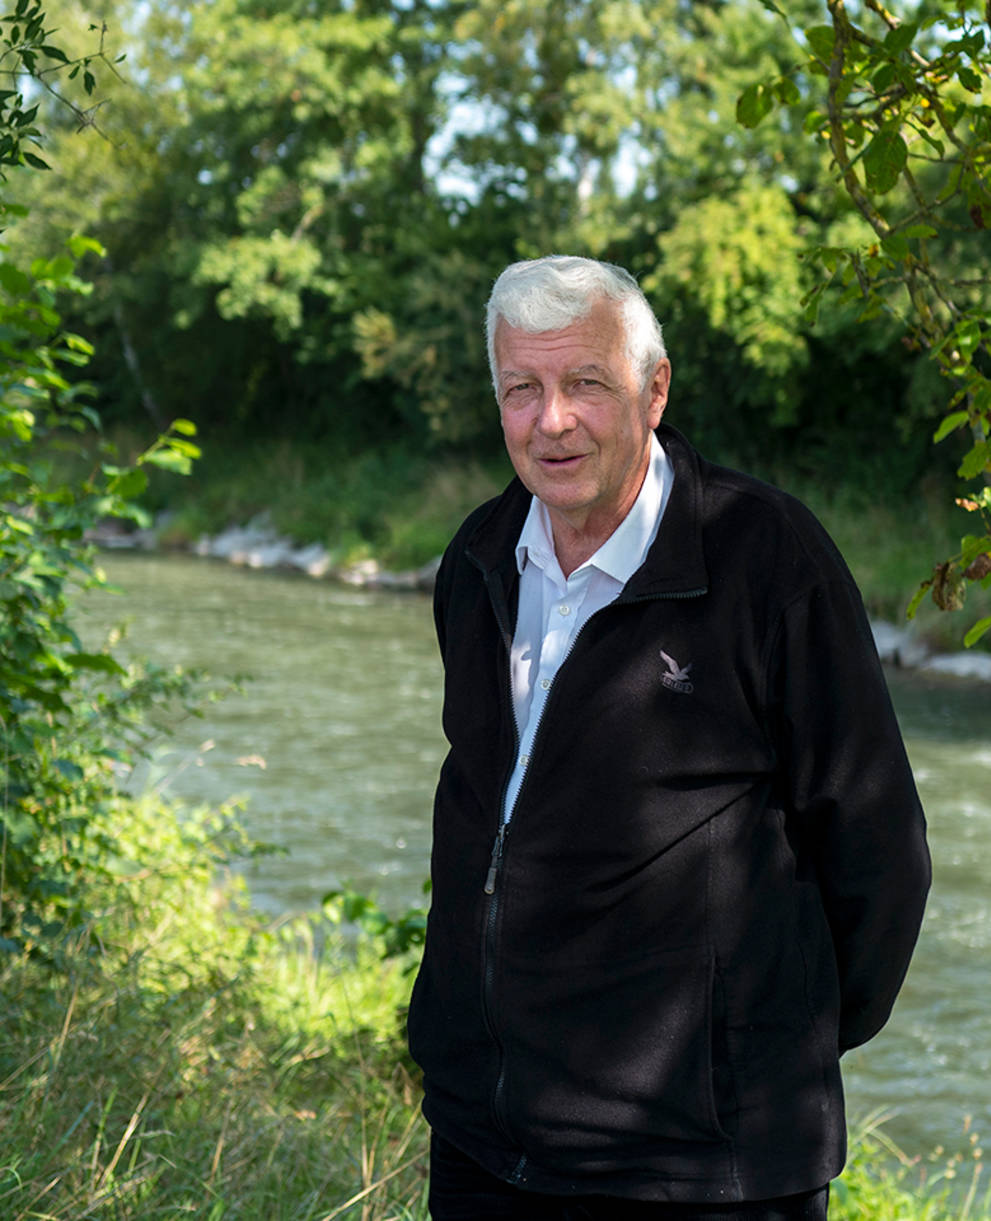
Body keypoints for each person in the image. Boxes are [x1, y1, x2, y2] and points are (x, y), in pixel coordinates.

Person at [407, 255, 931, 1220]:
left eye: (584, 383)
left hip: (703, 1165)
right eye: (522, 388)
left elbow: (878, 850)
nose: (550, 419)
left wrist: (762, 1047)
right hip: (487, 1140)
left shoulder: (766, 558)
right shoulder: (479, 556)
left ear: (654, 390)